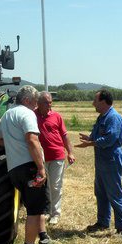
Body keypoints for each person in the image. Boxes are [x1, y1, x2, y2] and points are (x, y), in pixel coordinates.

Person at [0, 85, 51, 244]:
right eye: (34, 102)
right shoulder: (27, 114)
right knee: (34, 212)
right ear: (26, 100)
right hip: (30, 168)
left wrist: (12, 146)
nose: (36, 106)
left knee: (36, 206)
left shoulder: (7, 115)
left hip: (14, 170)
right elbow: (32, 140)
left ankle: (44, 240)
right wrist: (41, 168)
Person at [76, 89, 122, 235]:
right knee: (101, 192)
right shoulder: (102, 117)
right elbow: (98, 136)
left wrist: (91, 143)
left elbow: (109, 139)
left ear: (104, 102)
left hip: (111, 160)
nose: (93, 103)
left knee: (114, 193)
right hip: (101, 160)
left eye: (95, 100)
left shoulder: (113, 118)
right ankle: (103, 222)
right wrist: (89, 139)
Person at [35, 91, 75, 225]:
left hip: (57, 155)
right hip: (40, 157)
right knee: (43, 186)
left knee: (55, 186)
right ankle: (47, 211)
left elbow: (64, 136)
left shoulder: (56, 116)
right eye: (46, 103)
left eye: (51, 102)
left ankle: (55, 214)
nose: (49, 105)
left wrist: (70, 152)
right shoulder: (32, 115)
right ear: (38, 103)